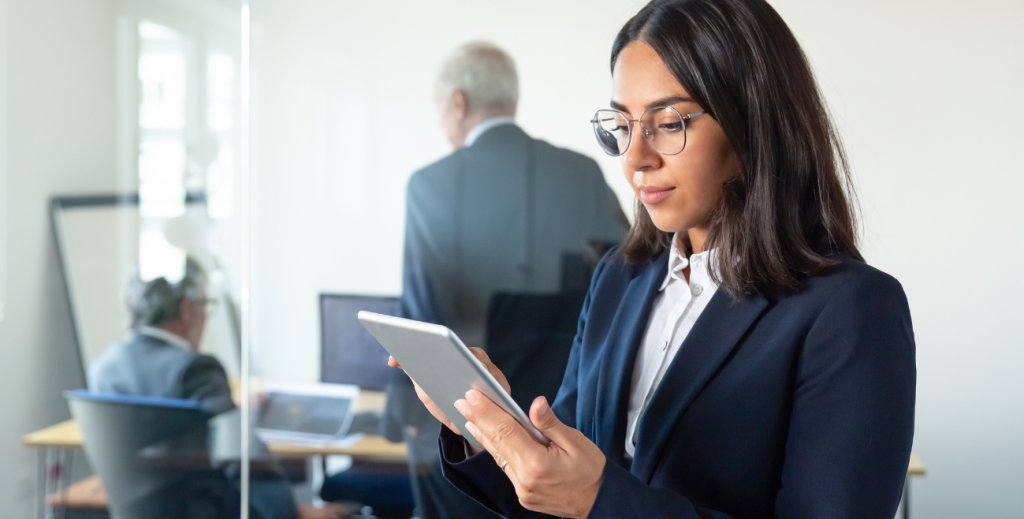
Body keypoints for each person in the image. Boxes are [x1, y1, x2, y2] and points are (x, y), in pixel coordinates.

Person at [395, 1, 917, 518]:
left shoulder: (850, 310)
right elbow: (556, 494)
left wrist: (599, 499)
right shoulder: (618, 280)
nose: (636, 158)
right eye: (622, 125)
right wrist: (486, 428)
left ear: (752, 123)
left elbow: (589, 498)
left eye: (668, 123)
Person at [382, 42, 629, 519]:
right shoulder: (582, 172)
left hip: (467, 424)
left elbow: (419, 308)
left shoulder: (430, 186)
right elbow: (623, 285)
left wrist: (403, 415)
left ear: (458, 102)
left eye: (440, 109)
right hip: (567, 430)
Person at [90, 257, 343, 519]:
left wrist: (230, 412)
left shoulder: (105, 367)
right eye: (204, 304)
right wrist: (291, 514)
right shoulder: (195, 369)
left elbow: (166, 430)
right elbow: (242, 459)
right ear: (187, 309)